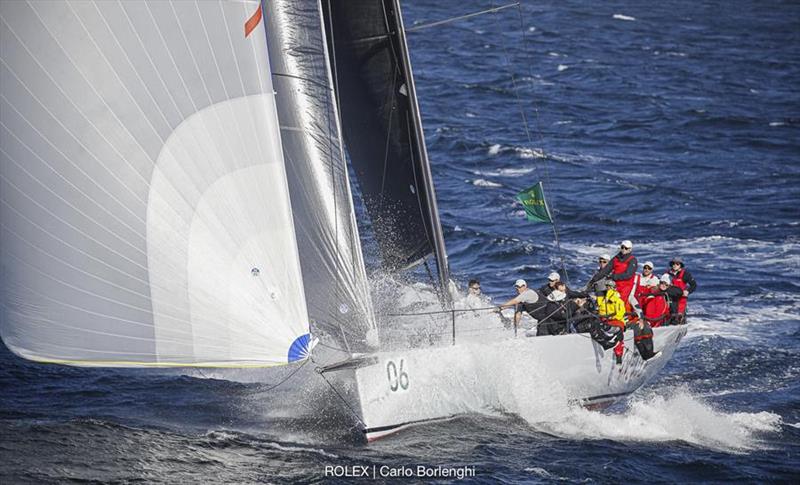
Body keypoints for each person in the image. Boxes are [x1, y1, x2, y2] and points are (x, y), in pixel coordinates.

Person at [587, 240, 638, 313]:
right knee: (606, 299)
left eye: (626, 248)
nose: (623, 249)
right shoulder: (616, 258)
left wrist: (613, 276)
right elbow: (605, 270)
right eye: (622, 247)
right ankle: (604, 317)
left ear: (630, 250)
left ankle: (621, 318)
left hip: (626, 286)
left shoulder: (632, 260)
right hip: (614, 284)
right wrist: (593, 280)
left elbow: (628, 275)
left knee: (618, 302)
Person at [596, 280, 628, 364]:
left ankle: (618, 355)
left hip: (616, 320)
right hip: (605, 319)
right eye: (607, 287)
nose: (608, 288)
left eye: (609, 287)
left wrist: (612, 316)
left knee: (619, 333)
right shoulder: (603, 298)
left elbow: (620, 312)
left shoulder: (616, 299)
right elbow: (601, 308)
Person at [666, 256, 697, 323]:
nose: (675, 265)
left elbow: (694, 285)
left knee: (679, 316)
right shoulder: (667, 274)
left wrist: (688, 291)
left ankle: (681, 321)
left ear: (680, 265)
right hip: (670, 298)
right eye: (673, 263)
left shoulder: (686, 274)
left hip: (681, 298)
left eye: (677, 264)